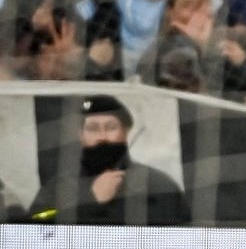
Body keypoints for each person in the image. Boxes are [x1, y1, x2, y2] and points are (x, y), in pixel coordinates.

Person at [27, 94, 190, 226]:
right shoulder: (58, 187)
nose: (102, 136)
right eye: (92, 128)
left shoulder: (158, 185)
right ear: (80, 135)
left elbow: (183, 236)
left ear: (126, 131)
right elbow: (38, 220)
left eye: (111, 127)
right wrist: (89, 200)